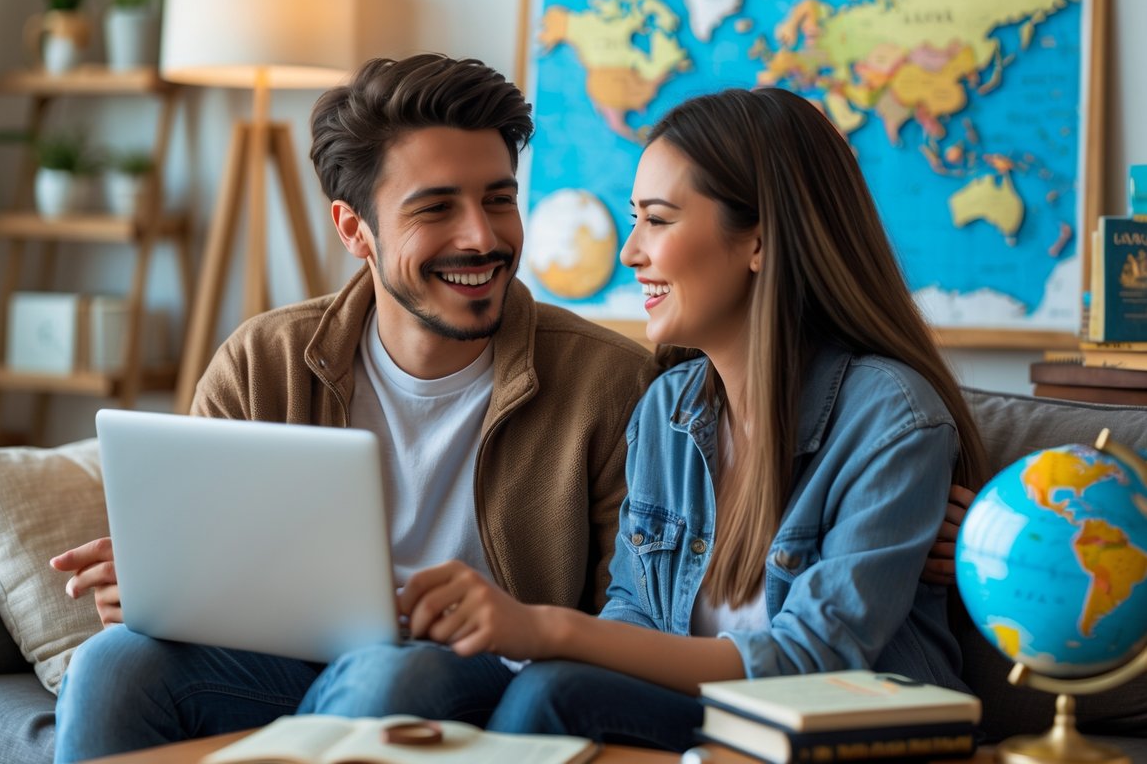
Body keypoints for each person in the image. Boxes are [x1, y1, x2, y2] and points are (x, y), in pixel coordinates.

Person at [315, 87, 992, 751]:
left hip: (844, 733)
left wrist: (548, 630)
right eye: (633, 218)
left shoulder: (891, 419)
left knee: (552, 691)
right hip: (707, 721)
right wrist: (551, 643)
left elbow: (810, 662)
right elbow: (634, 610)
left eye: (658, 221)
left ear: (758, 240)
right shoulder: (669, 408)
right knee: (544, 686)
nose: (629, 251)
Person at [48, 54, 658, 763]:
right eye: (436, 207)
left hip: (495, 683)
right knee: (114, 664)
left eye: (498, 199)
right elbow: (212, 574)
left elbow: (636, 613)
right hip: (289, 665)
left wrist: (518, 625)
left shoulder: (609, 382)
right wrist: (161, 588)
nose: (483, 238)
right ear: (353, 229)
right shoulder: (261, 361)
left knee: (390, 670)